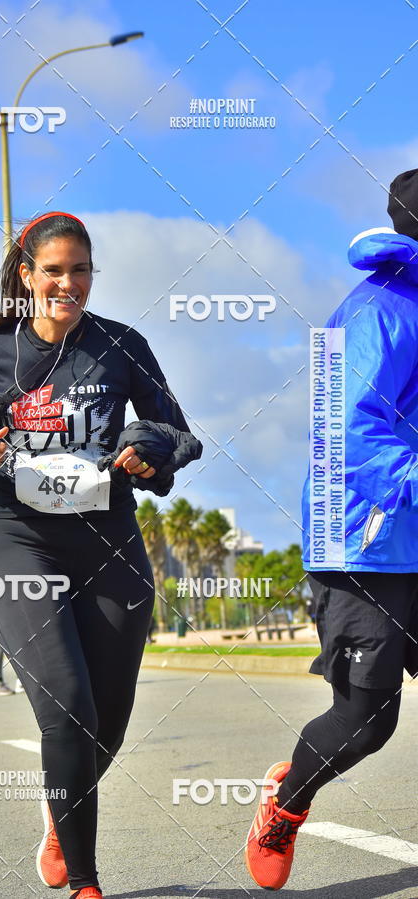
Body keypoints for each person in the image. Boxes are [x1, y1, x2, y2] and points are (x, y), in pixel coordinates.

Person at [0, 211, 201, 899]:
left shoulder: (121, 345)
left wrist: (153, 447)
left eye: (80, 269)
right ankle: (85, 882)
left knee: (107, 719)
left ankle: (61, 808)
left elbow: (184, 434)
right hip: (19, 538)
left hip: (109, 540)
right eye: (53, 270)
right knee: (69, 706)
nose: (68, 282)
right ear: (28, 275)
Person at [246, 171, 418, 890]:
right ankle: (286, 805)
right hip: (366, 543)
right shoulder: (379, 310)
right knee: (367, 720)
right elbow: (353, 432)